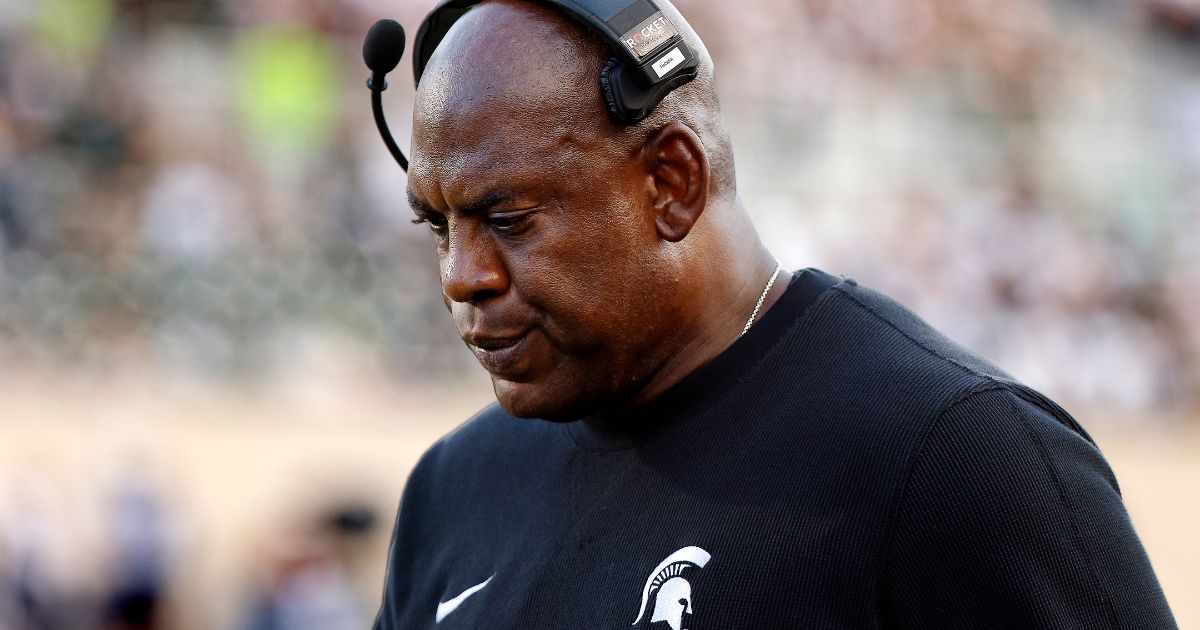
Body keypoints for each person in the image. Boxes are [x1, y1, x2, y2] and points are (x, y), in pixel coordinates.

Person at [372, 1, 1177, 628]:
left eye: (508, 219)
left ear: (671, 183)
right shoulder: (455, 489)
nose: (462, 276)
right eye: (439, 226)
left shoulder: (954, 456)